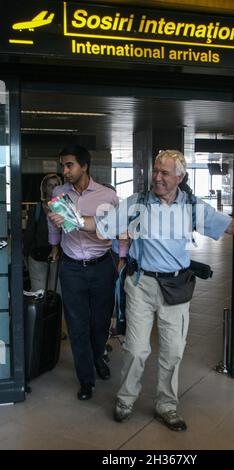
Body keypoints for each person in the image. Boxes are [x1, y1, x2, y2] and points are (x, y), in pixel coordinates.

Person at [49, 149, 234, 430]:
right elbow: (100, 224)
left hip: (176, 287)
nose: (157, 177)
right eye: (156, 171)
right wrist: (71, 220)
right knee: (135, 349)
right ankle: (125, 400)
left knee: (173, 351)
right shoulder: (137, 203)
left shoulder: (192, 206)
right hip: (141, 284)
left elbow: (229, 226)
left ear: (180, 177)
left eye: (164, 173)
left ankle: (166, 406)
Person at [48, 145, 127, 401]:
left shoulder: (107, 195)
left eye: (69, 165)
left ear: (84, 166)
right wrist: (54, 247)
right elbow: (55, 225)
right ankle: (86, 379)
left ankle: (97, 358)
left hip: (102, 265)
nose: (65, 170)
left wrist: (122, 257)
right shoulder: (59, 193)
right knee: (77, 324)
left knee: (100, 323)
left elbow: (120, 228)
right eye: (62, 165)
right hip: (71, 267)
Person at [23, 173, 62, 291]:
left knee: (58, 294)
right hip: (38, 257)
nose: (54, 188)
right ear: (44, 188)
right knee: (38, 293)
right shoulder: (37, 210)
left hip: (58, 257)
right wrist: (24, 255)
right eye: (50, 185)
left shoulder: (65, 209)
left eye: (56, 185)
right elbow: (29, 234)